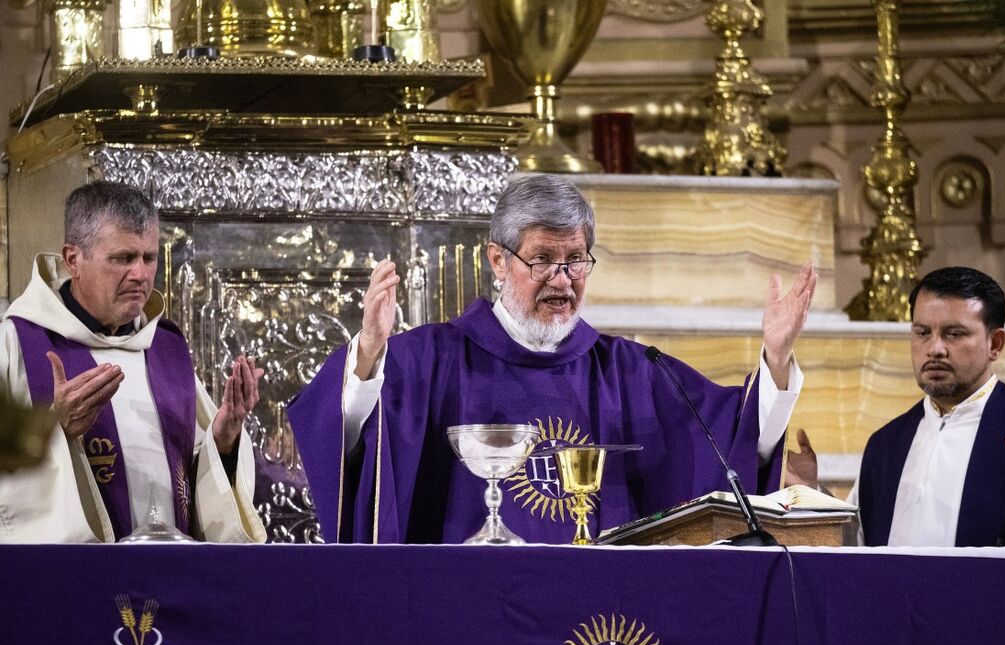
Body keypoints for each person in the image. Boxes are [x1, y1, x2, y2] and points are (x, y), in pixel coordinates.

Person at [290, 175, 817, 544]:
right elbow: (346, 447)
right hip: (465, 608)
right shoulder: (429, 360)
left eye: (575, 260)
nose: (562, 279)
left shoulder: (633, 371)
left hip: (600, 618)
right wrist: (366, 357)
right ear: (497, 258)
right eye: (541, 259)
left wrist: (776, 355)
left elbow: (731, 441)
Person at [0, 181, 267, 543]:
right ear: (73, 259)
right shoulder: (17, 344)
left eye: (149, 257)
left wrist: (224, 437)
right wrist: (50, 431)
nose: (141, 274)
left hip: (169, 577)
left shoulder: (164, 349)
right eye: (123, 258)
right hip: (73, 583)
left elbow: (200, 487)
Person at [787, 266, 1005, 546]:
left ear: (996, 344)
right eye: (922, 332)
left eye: (954, 334)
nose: (935, 349)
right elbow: (861, 545)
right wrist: (815, 497)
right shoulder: (887, 444)